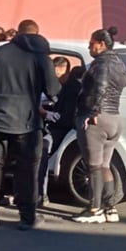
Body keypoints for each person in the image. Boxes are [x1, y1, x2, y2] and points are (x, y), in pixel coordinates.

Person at [0, 19, 61, 231]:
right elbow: (53, 89)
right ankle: (27, 218)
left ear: (18, 33)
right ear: (37, 34)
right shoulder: (40, 56)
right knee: (27, 171)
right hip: (26, 121)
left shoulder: (0, 52)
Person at [72, 27, 126, 224]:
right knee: (105, 165)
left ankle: (94, 209)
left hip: (98, 118)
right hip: (114, 117)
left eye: (91, 44)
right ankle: (110, 208)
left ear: (101, 44)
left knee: (93, 166)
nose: (89, 47)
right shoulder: (119, 63)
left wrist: (94, 111)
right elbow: (125, 81)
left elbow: (101, 85)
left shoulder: (101, 63)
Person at [38, 65, 84, 205]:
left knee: (41, 153)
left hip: (61, 128)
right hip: (68, 126)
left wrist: (49, 117)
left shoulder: (71, 88)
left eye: (59, 73)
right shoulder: (74, 87)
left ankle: (40, 194)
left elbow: (65, 113)